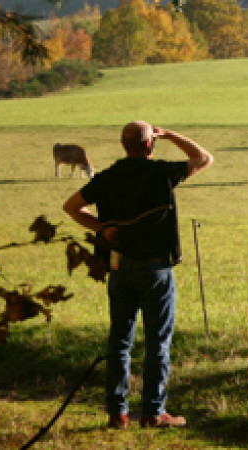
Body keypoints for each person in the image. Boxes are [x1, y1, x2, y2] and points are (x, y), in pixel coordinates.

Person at [62, 121, 213, 429]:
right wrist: (169, 134)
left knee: (119, 341)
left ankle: (117, 413)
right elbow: (203, 158)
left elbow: (72, 207)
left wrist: (101, 228)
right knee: (157, 342)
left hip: (119, 266)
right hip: (155, 269)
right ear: (149, 145)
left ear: (124, 145)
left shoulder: (107, 177)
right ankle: (153, 412)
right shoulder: (161, 173)